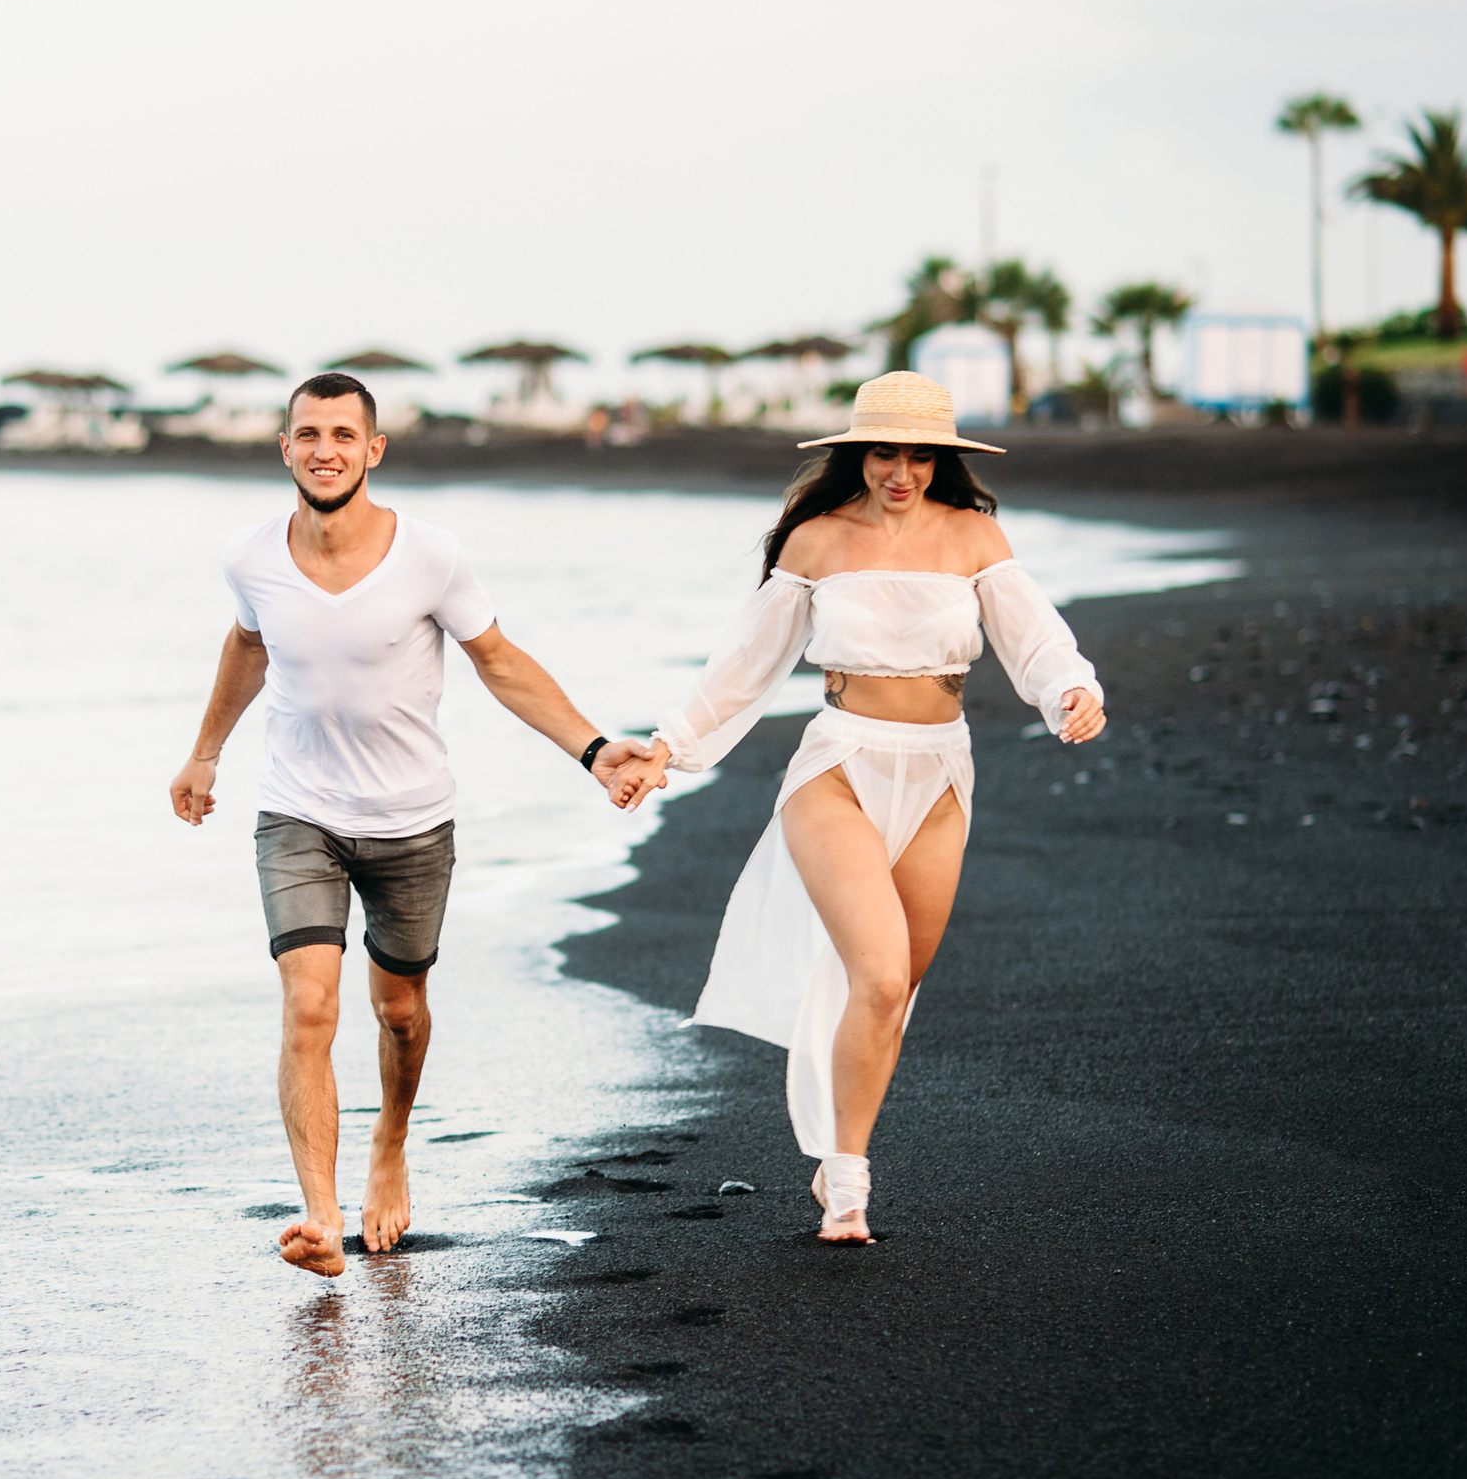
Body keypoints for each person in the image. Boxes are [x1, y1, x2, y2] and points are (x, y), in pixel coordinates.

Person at [171, 371, 650, 1277]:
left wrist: (593, 752)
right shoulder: (250, 558)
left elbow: (499, 661)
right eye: (308, 433)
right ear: (285, 448)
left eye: (344, 435)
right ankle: (319, 1214)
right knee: (309, 1004)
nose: (325, 449)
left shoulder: (429, 555)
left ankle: (392, 1142)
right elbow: (247, 644)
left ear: (373, 449)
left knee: (400, 1012)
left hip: (411, 823)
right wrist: (205, 753)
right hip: (297, 814)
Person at [610, 371, 1105, 1243]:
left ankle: (837, 1151)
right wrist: (668, 748)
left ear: (943, 460)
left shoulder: (973, 535)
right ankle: (847, 1184)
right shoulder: (817, 541)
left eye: (920, 455)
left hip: (942, 772)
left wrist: (1070, 689)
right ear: (857, 454)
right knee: (876, 974)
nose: (901, 471)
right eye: (884, 452)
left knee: (893, 986)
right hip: (838, 765)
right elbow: (745, 665)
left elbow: (1035, 637)